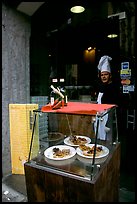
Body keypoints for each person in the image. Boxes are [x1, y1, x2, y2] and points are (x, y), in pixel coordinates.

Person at [94, 55, 121, 140]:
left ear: (110, 75)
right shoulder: (100, 86)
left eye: (106, 74)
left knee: (108, 140)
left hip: (109, 119)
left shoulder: (114, 87)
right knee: (99, 138)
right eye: (102, 75)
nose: (104, 77)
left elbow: (116, 105)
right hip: (100, 117)